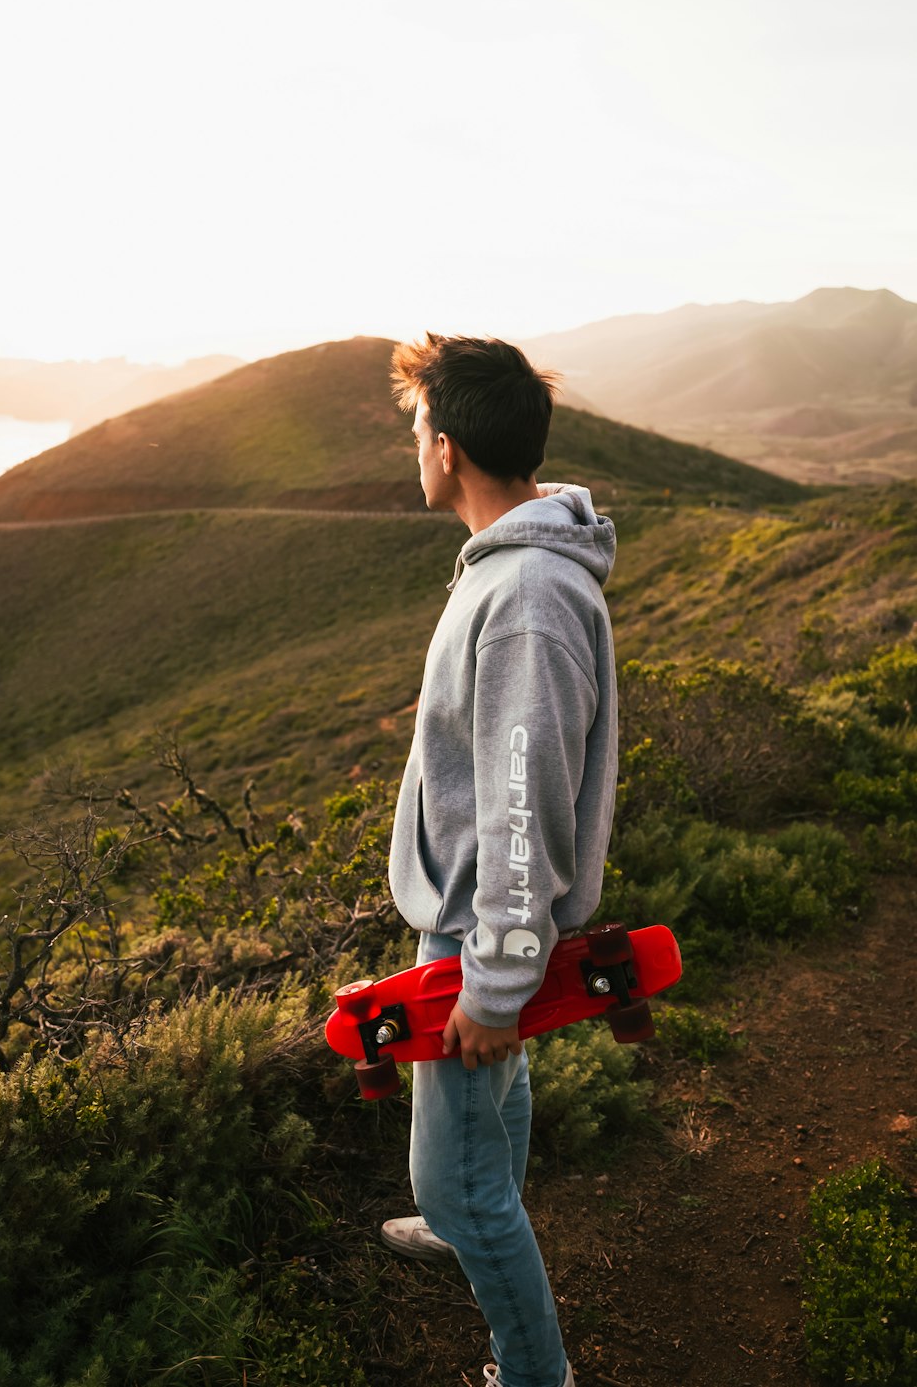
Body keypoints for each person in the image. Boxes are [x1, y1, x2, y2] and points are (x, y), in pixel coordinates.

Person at [381, 332, 619, 1387]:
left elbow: (522, 809)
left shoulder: (524, 596)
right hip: (482, 921)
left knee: (455, 1177)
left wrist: (497, 973)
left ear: (449, 448)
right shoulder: (516, 569)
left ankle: (531, 1369)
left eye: (417, 428)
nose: (414, 446)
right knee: (494, 1108)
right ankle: (473, 1210)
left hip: (484, 924)